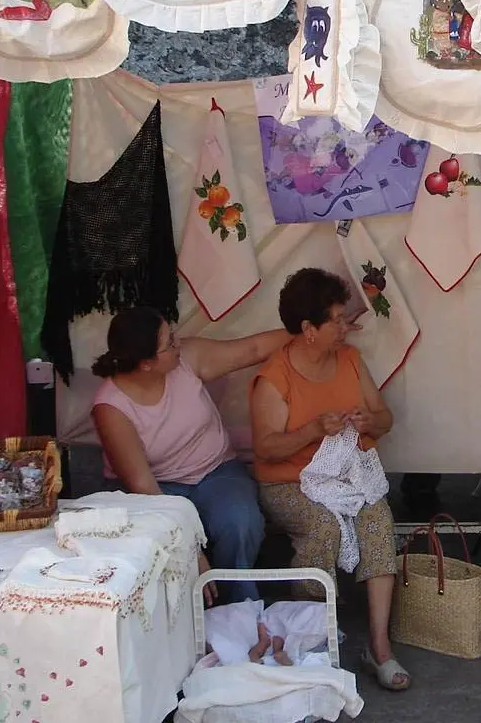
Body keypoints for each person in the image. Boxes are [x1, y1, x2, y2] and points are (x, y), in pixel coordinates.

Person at [250, 268, 411, 692]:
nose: (346, 327)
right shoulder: (275, 377)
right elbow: (266, 449)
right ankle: (311, 640)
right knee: (322, 527)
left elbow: (386, 419)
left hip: (348, 476)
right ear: (308, 329)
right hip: (289, 483)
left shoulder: (351, 360)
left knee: (377, 521)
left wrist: (367, 419)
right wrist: (312, 431)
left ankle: (379, 647)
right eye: (337, 320)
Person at [91, 306, 291, 606]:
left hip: (216, 471)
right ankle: (186, 620)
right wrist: (192, 549)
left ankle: (238, 608)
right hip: (157, 490)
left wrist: (309, 330)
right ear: (147, 364)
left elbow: (253, 348)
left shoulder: (186, 359)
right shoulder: (111, 407)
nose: (178, 343)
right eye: (169, 343)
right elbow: (145, 487)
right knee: (164, 546)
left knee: (240, 521)